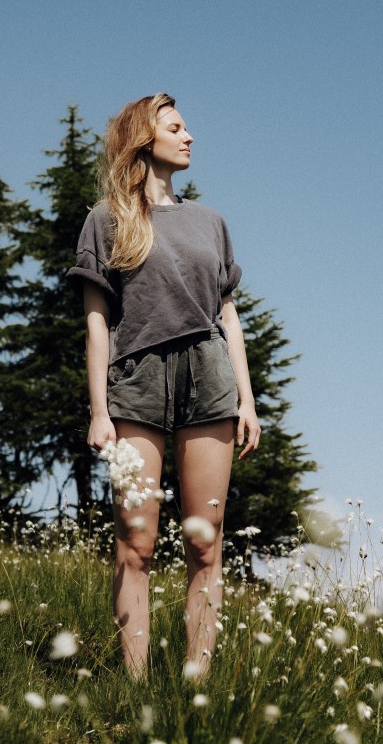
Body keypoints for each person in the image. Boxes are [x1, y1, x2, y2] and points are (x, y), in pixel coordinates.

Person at [68, 93, 260, 679]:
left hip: (209, 376)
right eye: (176, 127)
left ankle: (194, 683)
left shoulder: (211, 222)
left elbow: (228, 318)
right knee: (137, 539)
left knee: (206, 541)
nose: (190, 136)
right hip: (137, 379)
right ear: (143, 138)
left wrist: (246, 400)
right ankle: (133, 686)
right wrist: (100, 410)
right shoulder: (106, 220)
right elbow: (97, 323)